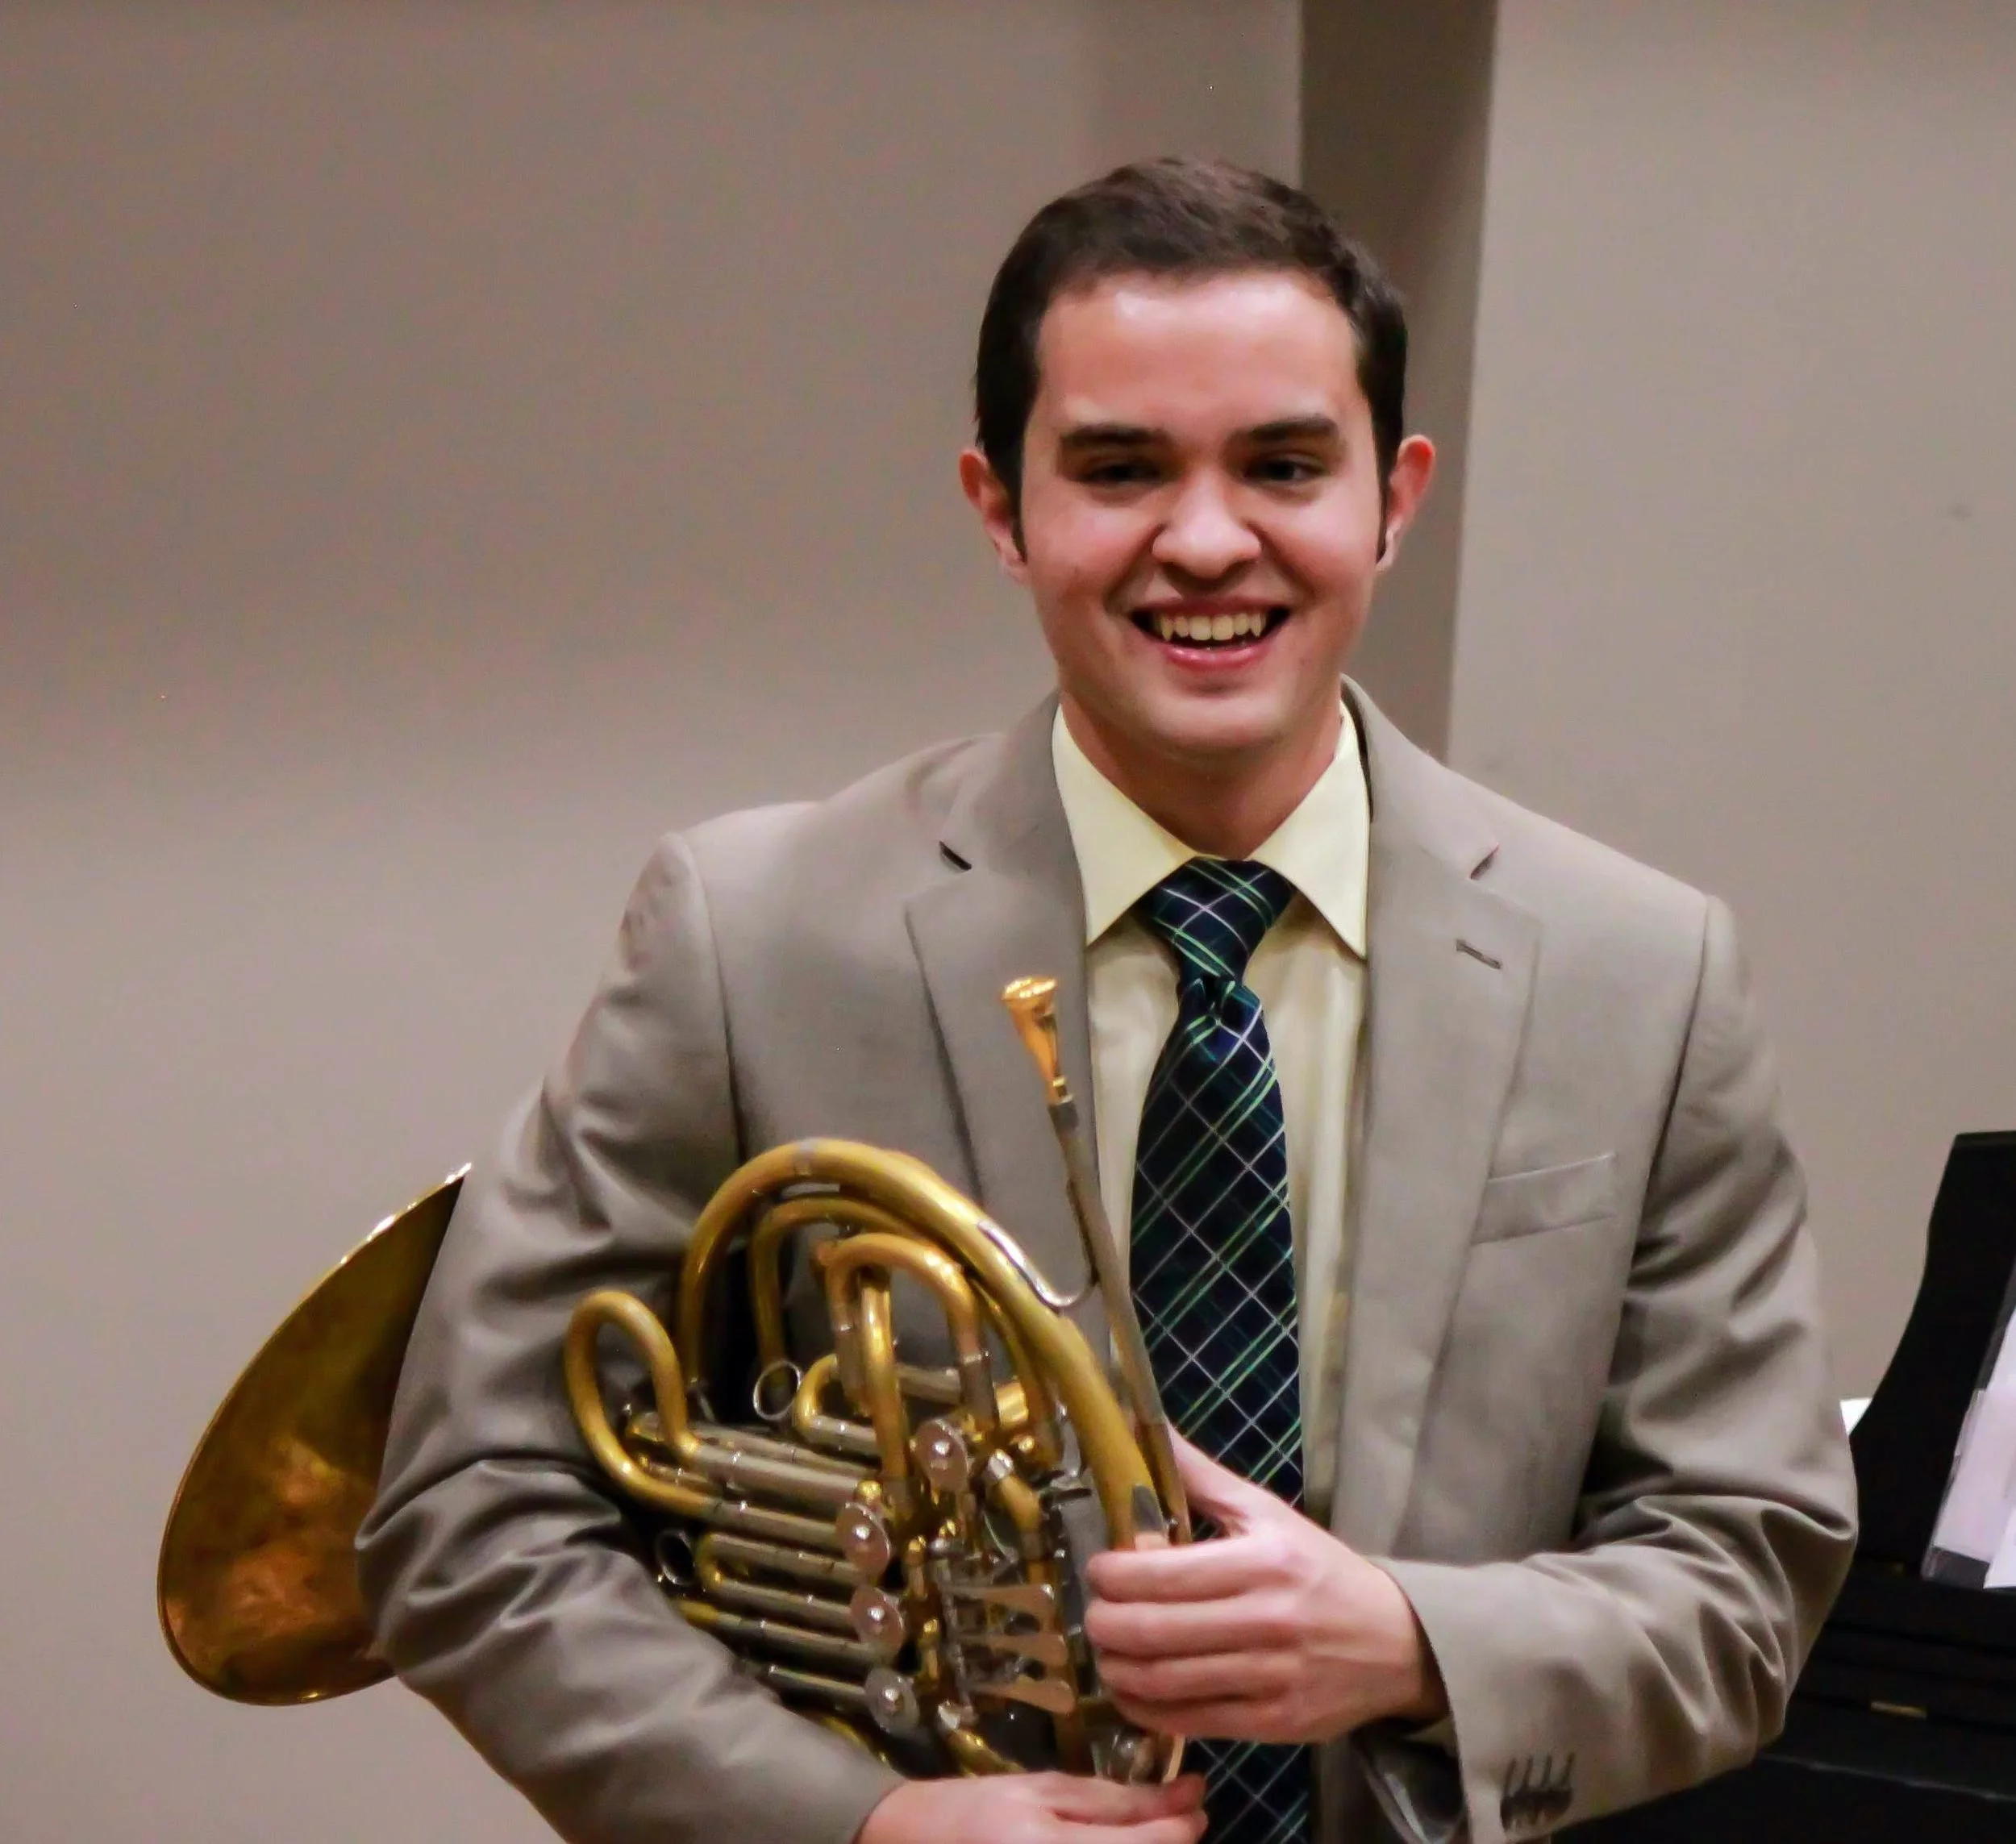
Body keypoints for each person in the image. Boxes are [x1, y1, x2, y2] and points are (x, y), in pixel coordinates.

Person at [358, 157, 1857, 1844]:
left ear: (1394, 498)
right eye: (1121, 468)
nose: (1205, 540)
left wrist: (1411, 1643)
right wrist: (857, 1827)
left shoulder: (1640, 973)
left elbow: (1747, 1571)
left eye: (1283, 465)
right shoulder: (747, 936)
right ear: (1000, 507)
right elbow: (469, 1510)